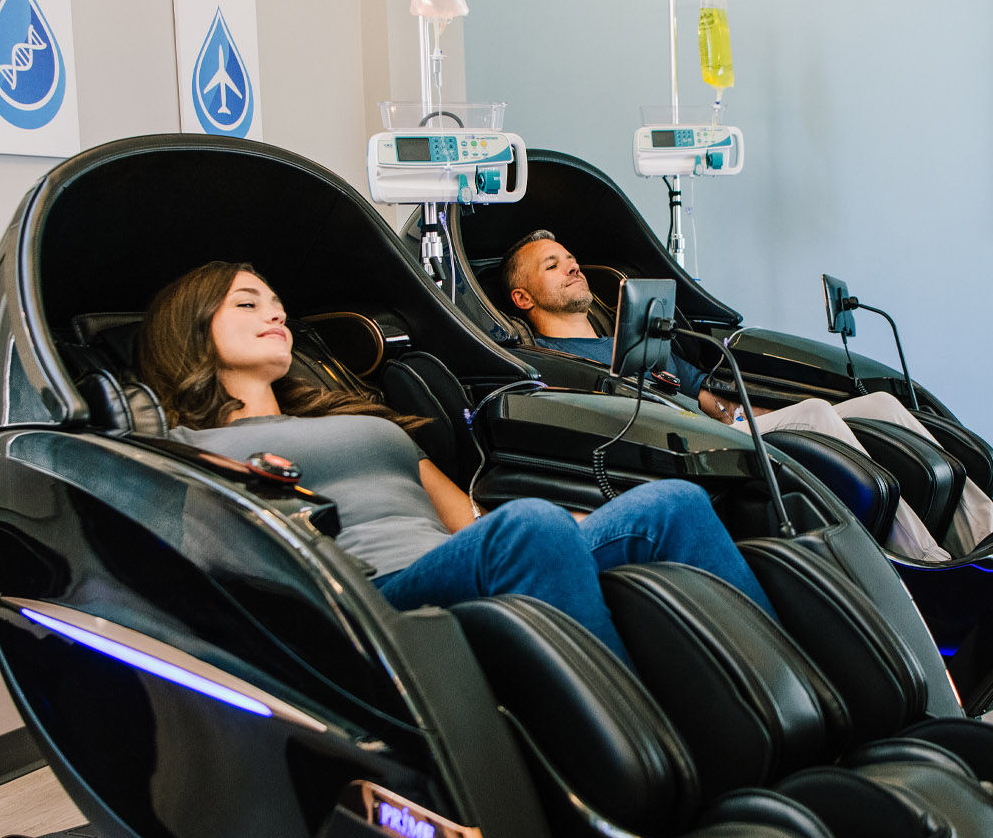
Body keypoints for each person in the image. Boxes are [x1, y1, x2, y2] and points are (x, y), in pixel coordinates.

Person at [136, 260, 778, 667]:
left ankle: (787, 706)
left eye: (275, 301)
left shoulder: (352, 420)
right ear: (192, 329)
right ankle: (630, 767)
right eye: (247, 303)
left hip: (464, 560)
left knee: (672, 504)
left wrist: (575, 527)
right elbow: (217, 580)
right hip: (374, 600)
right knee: (533, 525)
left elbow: (467, 520)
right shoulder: (196, 451)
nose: (275, 312)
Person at [499, 231, 993, 563]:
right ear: (523, 298)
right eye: (552, 265)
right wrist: (794, 420)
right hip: (680, 454)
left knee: (880, 406)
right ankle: (929, 564)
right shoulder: (547, 359)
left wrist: (758, 415)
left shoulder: (634, 333)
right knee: (814, 415)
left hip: (721, 429)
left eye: (570, 257)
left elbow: (703, 394)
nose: (571, 267)